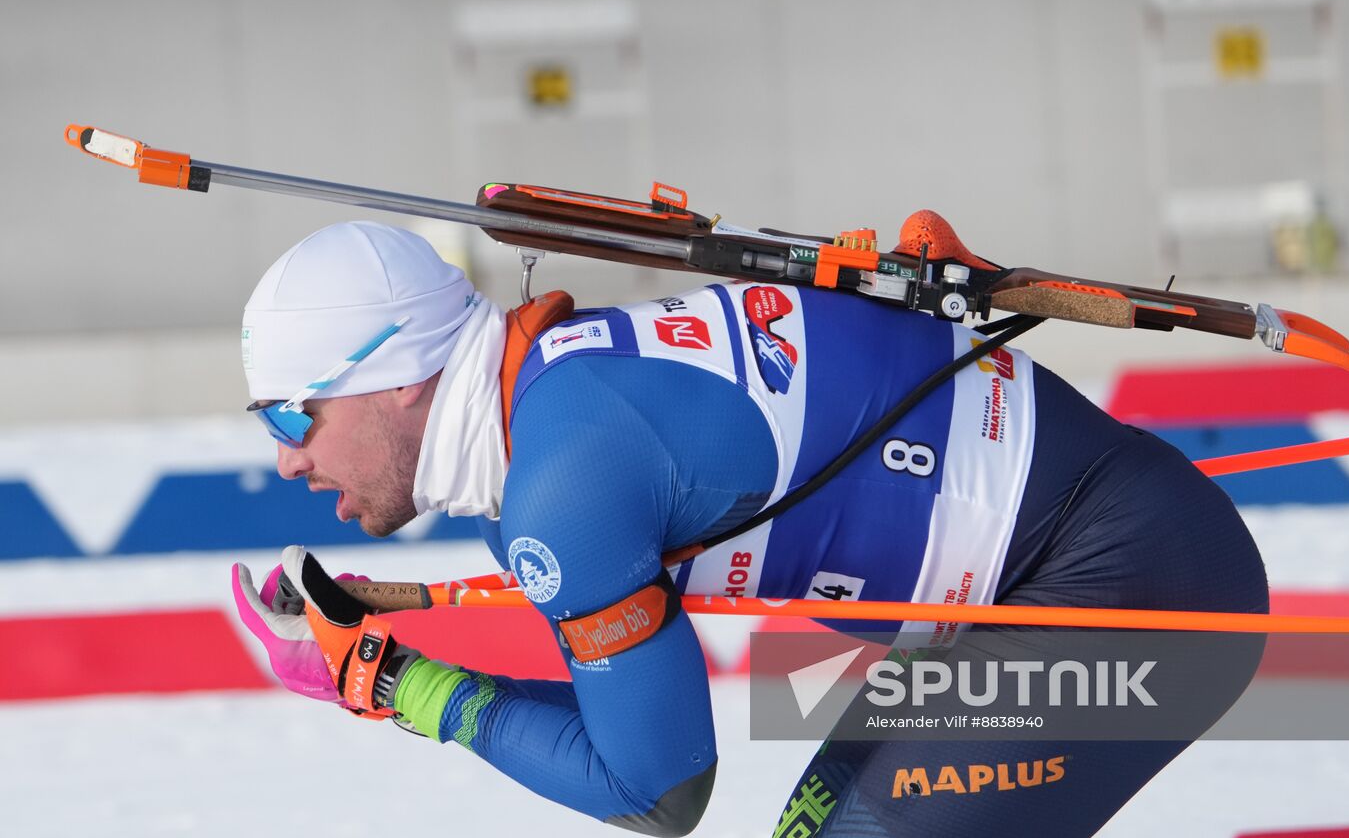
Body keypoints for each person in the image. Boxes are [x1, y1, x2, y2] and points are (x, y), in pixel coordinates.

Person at [232, 220, 1268, 837]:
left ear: (399, 380)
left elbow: (657, 789)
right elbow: (633, 724)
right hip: (1086, 566)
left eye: (292, 412)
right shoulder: (552, 425)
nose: (285, 455)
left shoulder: (562, 485)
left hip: (1130, 593)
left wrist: (397, 687)